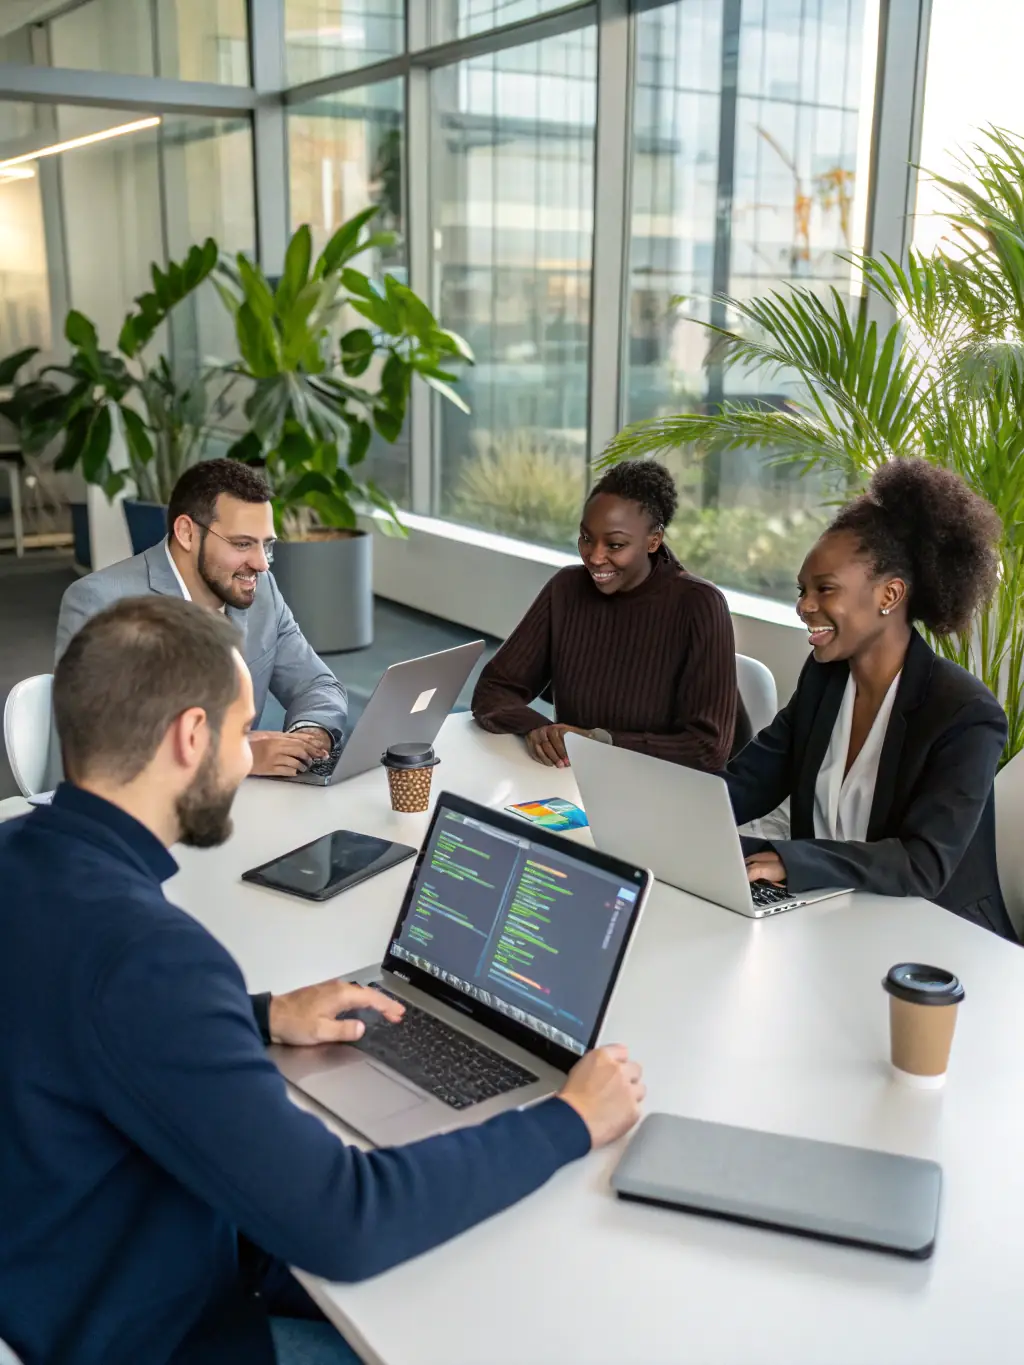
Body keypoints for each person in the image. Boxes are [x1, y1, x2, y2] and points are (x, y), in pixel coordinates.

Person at [0, 596, 645, 1365]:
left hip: (55, 1272)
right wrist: (570, 1118)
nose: (248, 758)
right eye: (244, 732)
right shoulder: (151, 959)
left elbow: (75, 1018)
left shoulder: (21, 859)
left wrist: (263, 1014)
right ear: (191, 737)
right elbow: (348, 1219)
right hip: (154, 1327)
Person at [726, 458, 1015, 939]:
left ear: (890, 594)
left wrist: (791, 860)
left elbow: (922, 864)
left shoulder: (965, 714)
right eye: (802, 590)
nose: (803, 606)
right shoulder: (826, 680)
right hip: (828, 916)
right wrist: (668, 816)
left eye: (825, 589)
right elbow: (747, 781)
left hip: (936, 940)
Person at [55, 459, 346, 778]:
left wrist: (310, 736)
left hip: (237, 801)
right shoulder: (100, 601)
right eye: (243, 544)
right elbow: (100, 738)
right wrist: (236, 754)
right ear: (186, 533)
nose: (262, 564)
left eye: (267, 545)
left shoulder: (260, 591)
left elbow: (317, 683)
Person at [472, 460, 748, 770]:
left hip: (668, 788)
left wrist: (599, 742)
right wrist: (542, 732)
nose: (595, 556)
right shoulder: (566, 588)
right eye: (586, 538)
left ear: (653, 541)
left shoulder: (699, 605)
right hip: (578, 780)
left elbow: (707, 748)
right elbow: (494, 689)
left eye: (615, 544)